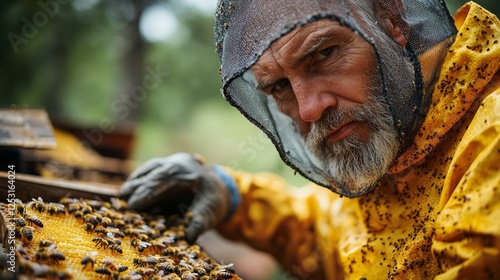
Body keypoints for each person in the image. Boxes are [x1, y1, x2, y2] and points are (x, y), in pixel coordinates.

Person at [120, 0, 500, 279]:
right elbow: (344, 234)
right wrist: (231, 195)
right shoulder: (399, 135)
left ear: (390, 16)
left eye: (324, 54)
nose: (309, 109)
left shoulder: (491, 136)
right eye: (280, 86)